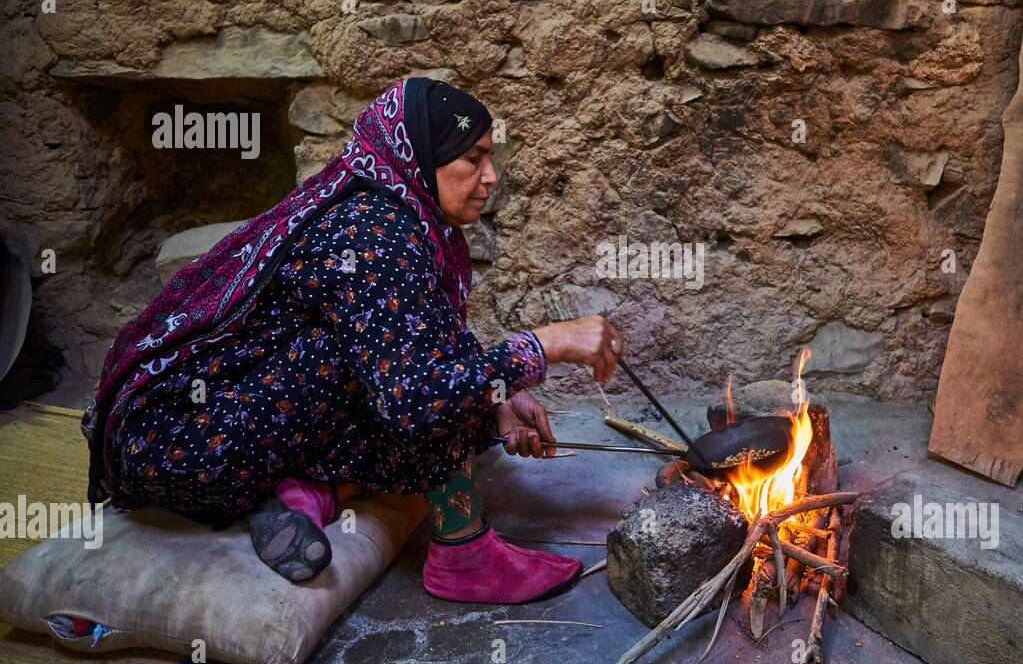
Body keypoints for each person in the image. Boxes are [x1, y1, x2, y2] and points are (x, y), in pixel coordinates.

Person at [81, 78, 622, 604]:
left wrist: (499, 397)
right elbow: (414, 401)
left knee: (419, 363)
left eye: (490, 158)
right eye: (472, 159)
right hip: (179, 442)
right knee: (413, 385)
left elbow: (423, 339)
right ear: (420, 156)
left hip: (240, 409)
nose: (490, 178)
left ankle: (305, 494)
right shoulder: (371, 232)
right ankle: (464, 554)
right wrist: (543, 344)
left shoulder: (401, 213)